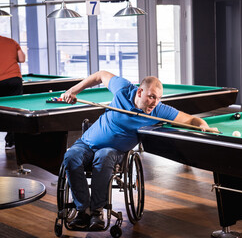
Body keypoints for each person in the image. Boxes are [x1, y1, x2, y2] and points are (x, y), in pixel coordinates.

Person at [61, 70, 218, 231]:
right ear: (140, 91)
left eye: (158, 98)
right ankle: (82, 210)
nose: (155, 102)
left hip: (113, 151)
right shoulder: (123, 89)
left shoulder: (158, 110)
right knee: (70, 156)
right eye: (151, 97)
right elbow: (100, 75)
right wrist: (73, 91)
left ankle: (96, 212)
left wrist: (203, 125)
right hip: (86, 143)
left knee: (104, 156)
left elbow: (191, 119)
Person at [0, 35, 26, 149]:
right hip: (13, 79)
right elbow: (22, 59)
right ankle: (10, 142)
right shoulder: (11, 42)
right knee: (14, 110)